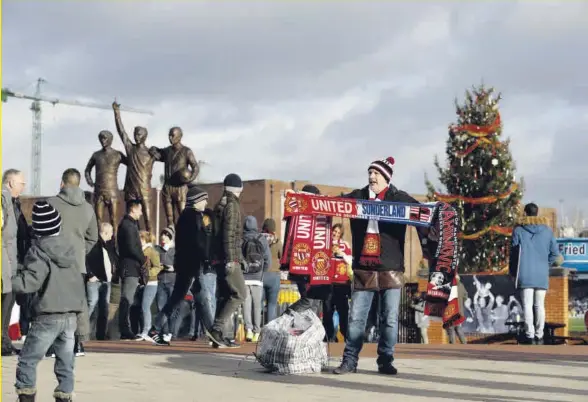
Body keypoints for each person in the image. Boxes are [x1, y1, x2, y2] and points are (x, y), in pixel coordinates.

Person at [334, 156, 429, 375]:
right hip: (363, 268)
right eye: (369, 173)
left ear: (386, 177)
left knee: (389, 319)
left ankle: (385, 360)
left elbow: (424, 212)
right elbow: (335, 203)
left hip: (391, 269)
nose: (371, 177)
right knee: (356, 318)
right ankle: (350, 360)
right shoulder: (358, 197)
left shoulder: (399, 198)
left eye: (376, 173)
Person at [12, 201, 85, 402]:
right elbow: (79, 286)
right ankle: (64, 397)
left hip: (47, 315)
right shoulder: (72, 251)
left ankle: (26, 396)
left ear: (37, 229)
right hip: (70, 316)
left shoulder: (38, 251)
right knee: (66, 363)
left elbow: (30, 282)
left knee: (28, 360)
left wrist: (9, 281)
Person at [148, 185, 215, 346]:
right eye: (204, 199)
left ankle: (213, 333)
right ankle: (214, 334)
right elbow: (197, 242)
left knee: (196, 299)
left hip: (187, 264)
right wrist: (205, 258)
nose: (206, 202)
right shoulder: (194, 217)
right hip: (192, 264)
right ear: (197, 201)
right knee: (192, 299)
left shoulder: (186, 216)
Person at [48, 168, 98, 357]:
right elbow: (93, 237)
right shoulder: (87, 208)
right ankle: (78, 343)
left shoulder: (51, 203)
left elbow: (40, 232)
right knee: (79, 303)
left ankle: (53, 345)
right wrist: (80, 251)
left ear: (62, 183)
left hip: (53, 261)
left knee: (53, 301)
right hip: (77, 263)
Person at [509, 202, 563, 345]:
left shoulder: (518, 230)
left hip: (524, 273)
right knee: (539, 305)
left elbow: (514, 255)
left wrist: (513, 272)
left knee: (527, 305)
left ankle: (530, 334)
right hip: (541, 274)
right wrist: (546, 264)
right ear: (537, 213)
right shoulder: (547, 231)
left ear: (525, 213)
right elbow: (555, 255)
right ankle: (540, 334)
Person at [207, 174, 247, 348]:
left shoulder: (221, 204)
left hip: (219, 258)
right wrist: (233, 259)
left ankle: (218, 336)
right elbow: (230, 235)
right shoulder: (232, 206)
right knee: (240, 294)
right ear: (239, 189)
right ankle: (216, 330)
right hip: (228, 258)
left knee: (224, 296)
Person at [2, 169, 26, 356]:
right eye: (21, 183)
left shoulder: (13, 202)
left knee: (8, 304)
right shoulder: (4, 200)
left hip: (11, 260)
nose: (23, 187)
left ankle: (5, 342)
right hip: (5, 262)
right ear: (10, 183)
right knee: (5, 301)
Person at [117, 199, 145, 339]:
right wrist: (142, 258)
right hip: (129, 266)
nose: (141, 213)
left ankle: (128, 328)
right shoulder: (127, 225)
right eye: (140, 209)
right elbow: (131, 247)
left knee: (130, 299)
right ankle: (124, 329)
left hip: (132, 266)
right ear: (133, 209)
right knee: (126, 299)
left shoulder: (130, 224)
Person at [85, 222, 118, 340]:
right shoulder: (93, 244)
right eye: (111, 233)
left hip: (106, 281)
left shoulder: (108, 245)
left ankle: (101, 334)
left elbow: (111, 260)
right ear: (105, 232)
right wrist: (90, 275)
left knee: (104, 307)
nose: (112, 235)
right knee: (91, 304)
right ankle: (81, 332)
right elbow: (84, 259)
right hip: (95, 280)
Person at [242, 215, 271, 342]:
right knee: (257, 305)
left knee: (246, 304)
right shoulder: (261, 238)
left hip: (244, 276)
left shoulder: (241, 239)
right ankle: (257, 331)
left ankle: (248, 330)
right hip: (257, 277)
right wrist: (262, 272)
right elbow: (268, 259)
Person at [323, 223, 352, 342]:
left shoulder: (345, 245)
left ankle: (345, 334)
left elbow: (351, 260)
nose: (335, 234)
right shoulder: (324, 243)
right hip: (328, 283)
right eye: (334, 231)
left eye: (338, 233)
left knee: (343, 311)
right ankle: (329, 336)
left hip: (342, 283)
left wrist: (342, 253)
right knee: (327, 310)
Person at [136, 231, 162, 340]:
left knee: (145, 306)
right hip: (142, 282)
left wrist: (148, 273)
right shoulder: (140, 250)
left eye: (140, 238)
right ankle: (143, 330)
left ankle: (147, 331)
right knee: (141, 307)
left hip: (151, 282)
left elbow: (158, 266)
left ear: (144, 239)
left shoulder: (151, 251)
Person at [155, 226, 176, 342]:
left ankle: (171, 332)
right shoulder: (158, 250)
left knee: (171, 309)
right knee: (161, 308)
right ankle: (164, 332)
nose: (163, 237)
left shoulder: (175, 250)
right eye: (162, 235)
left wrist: (173, 268)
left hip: (172, 282)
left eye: (166, 235)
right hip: (161, 281)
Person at [261, 218, 282, 324]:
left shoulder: (259, 239)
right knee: (272, 304)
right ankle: (269, 328)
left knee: (258, 302)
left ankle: (256, 328)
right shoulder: (277, 241)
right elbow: (282, 256)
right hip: (274, 275)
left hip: (261, 274)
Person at [445, 274, 468, 344]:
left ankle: (453, 346)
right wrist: (461, 304)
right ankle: (464, 344)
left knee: (451, 329)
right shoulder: (461, 285)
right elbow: (465, 296)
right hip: (459, 311)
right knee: (458, 328)